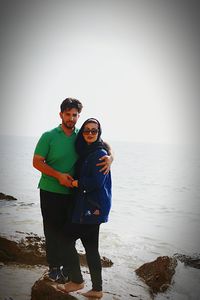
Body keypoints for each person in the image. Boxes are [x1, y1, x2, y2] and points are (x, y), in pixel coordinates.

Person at [33, 98, 112, 283]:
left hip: (74, 194)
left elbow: (104, 145)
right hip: (50, 190)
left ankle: (69, 271)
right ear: (61, 114)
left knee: (67, 232)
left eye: (74, 115)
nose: (70, 118)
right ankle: (54, 269)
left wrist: (110, 158)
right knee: (52, 231)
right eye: (67, 114)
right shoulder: (49, 136)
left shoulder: (82, 134)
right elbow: (37, 162)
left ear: (78, 116)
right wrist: (58, 175)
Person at [57, 118, 112, 299]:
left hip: (91, 208)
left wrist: (75, 183)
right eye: (86, 130)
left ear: (99, 133)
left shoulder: (99, 153)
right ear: (82, 133)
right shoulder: (87, 150)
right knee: (91, 247)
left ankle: (77, 280)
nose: (90, 133)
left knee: (64, 239)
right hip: (89, 207)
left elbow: (97, 182)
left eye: (94, 131)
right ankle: (97, 289)